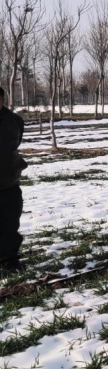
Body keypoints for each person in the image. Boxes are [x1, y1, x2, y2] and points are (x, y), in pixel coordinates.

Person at [0, 87, 27, 272]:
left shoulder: (14, 121)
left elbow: (15, 144)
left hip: (8, 182)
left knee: (9, 224)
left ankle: (8, 262)